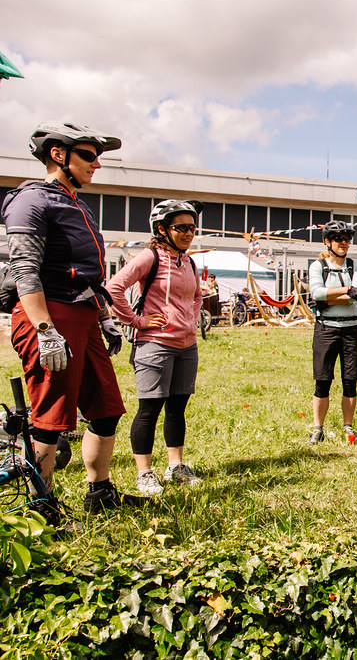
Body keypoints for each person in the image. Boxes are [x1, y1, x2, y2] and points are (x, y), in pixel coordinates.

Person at [1, 121, 147, 522]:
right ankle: (38, 510)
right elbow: (25, 269)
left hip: (83, 316)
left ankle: (99, 493)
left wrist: (104, 317)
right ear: (58, 154)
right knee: (52, 415)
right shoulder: (31, 199)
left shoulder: (77, 204)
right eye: (88, 154)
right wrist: (46, 332)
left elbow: (88, 274)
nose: (97, 164)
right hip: (50, 314)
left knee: (105, 408)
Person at [106, 200, 205, 495]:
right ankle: (144, 473)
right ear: (162, 229)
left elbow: (198, 296)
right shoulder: (150, 257)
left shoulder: (188, 261)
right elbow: (114, 288)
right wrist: (137, 321)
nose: (189, 233)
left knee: (178, 408)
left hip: (186, 345)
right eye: (181, 228)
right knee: (149, 408)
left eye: (192, 227)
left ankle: (175, 466)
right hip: (155, 345)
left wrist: (189, 318)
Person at [306, 220, 357, 445]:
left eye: (347, 239)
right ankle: (317, 428)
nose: (344, 243)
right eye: (338, 239)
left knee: (350, 380)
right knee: (322, 380)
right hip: (326, 329)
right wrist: (346, 290)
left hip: (352, 329)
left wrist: (328, 296)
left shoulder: (355, 265)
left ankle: (348, 426)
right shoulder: (317, 266)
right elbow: (315, 292)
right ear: (327, 242)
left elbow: (356, 294)